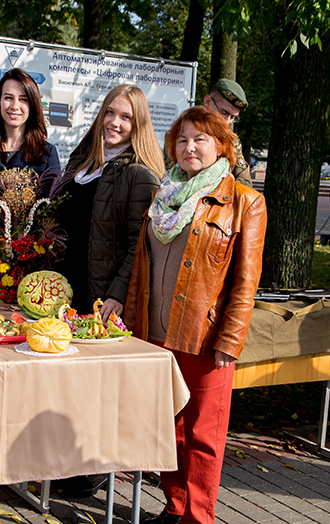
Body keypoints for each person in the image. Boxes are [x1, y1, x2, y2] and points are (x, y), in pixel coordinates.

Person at [124, 105, 267, 524]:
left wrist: (230, 339)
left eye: (200, 139)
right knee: (169, 430)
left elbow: (246, 281)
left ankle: (198, 518)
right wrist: (131, 330)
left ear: (221, 145)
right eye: (182, 140)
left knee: (204, 436)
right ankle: (174, 507)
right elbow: (140, 269)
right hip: (155, 334)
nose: (190, 147)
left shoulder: (245, 202)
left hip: (206, 340)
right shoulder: (161, 198)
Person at [56, 84, 165, 320]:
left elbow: (140, 246)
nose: (114, 122)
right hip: (66, 287)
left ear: (138, 124)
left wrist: (118, 295)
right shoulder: (81, 161)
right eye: (110, 112)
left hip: (102, 299)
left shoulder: (140, 175)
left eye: (126, 117)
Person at [0, 68, 60, 181]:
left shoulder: (46, 154)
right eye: (8, 98)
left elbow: (54, 197)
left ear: (33, 105)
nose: (15, 106)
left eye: (23, 99)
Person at [202, 79, 253, 188]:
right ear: (207, 101)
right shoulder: (182, 133)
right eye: (224, 112)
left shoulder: (232, 141)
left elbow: (244, 178)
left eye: (233, 117)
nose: (227, 121)